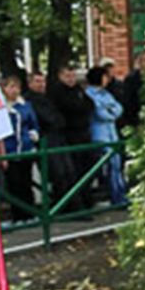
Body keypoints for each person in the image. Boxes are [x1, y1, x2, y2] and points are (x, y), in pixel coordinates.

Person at [24, 71, 76, 209]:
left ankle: (70, 205)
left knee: (68, 171)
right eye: (37, 81)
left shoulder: (46, 98)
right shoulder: (30, 100)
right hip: (46, 138)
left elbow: (58, 118)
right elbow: (49, 119)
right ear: (30, 84)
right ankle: (62, 206)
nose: (41, 85)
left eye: (43, 81)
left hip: (57, 137)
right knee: (58, 173)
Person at [49, 63, 95, 211]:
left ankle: (87, 199)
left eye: (73, 76)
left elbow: (90, 105)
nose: (71, 79)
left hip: (84, 132)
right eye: (67, 76)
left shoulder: (78, 90)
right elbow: (71, 107)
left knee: (88, 167)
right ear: (60, 76)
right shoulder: (57, 92)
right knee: (74, 170)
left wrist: (81, 107)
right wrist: (80, 107)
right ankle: (75, 203)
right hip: (70, 134)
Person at [84, 65, 126, 205]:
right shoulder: (89, 94)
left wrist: (110, 111)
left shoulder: (106, 94)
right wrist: (110, 111)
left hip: (112, 134)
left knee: (117, 165)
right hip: (99, 135)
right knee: (107, 166)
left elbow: (118, 109)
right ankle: (113, 196)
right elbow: (101, 113)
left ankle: (120, 194)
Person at [0, 73, 39, 222]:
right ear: (4, 89)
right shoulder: (1, 108)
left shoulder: (25, 105)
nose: (14, 90)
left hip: (25, 148)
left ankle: (30, 214)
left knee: (26, 182)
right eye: (11, 87)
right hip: (9, 150)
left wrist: (32, 134)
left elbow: (33, 123)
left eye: (17, 87)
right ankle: (17, 216)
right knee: (13, 184)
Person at [121, 49, 145, 132]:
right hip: (138, 120)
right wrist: (135, 123)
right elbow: (128, 102)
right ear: (140, 62)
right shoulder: (131, 79)